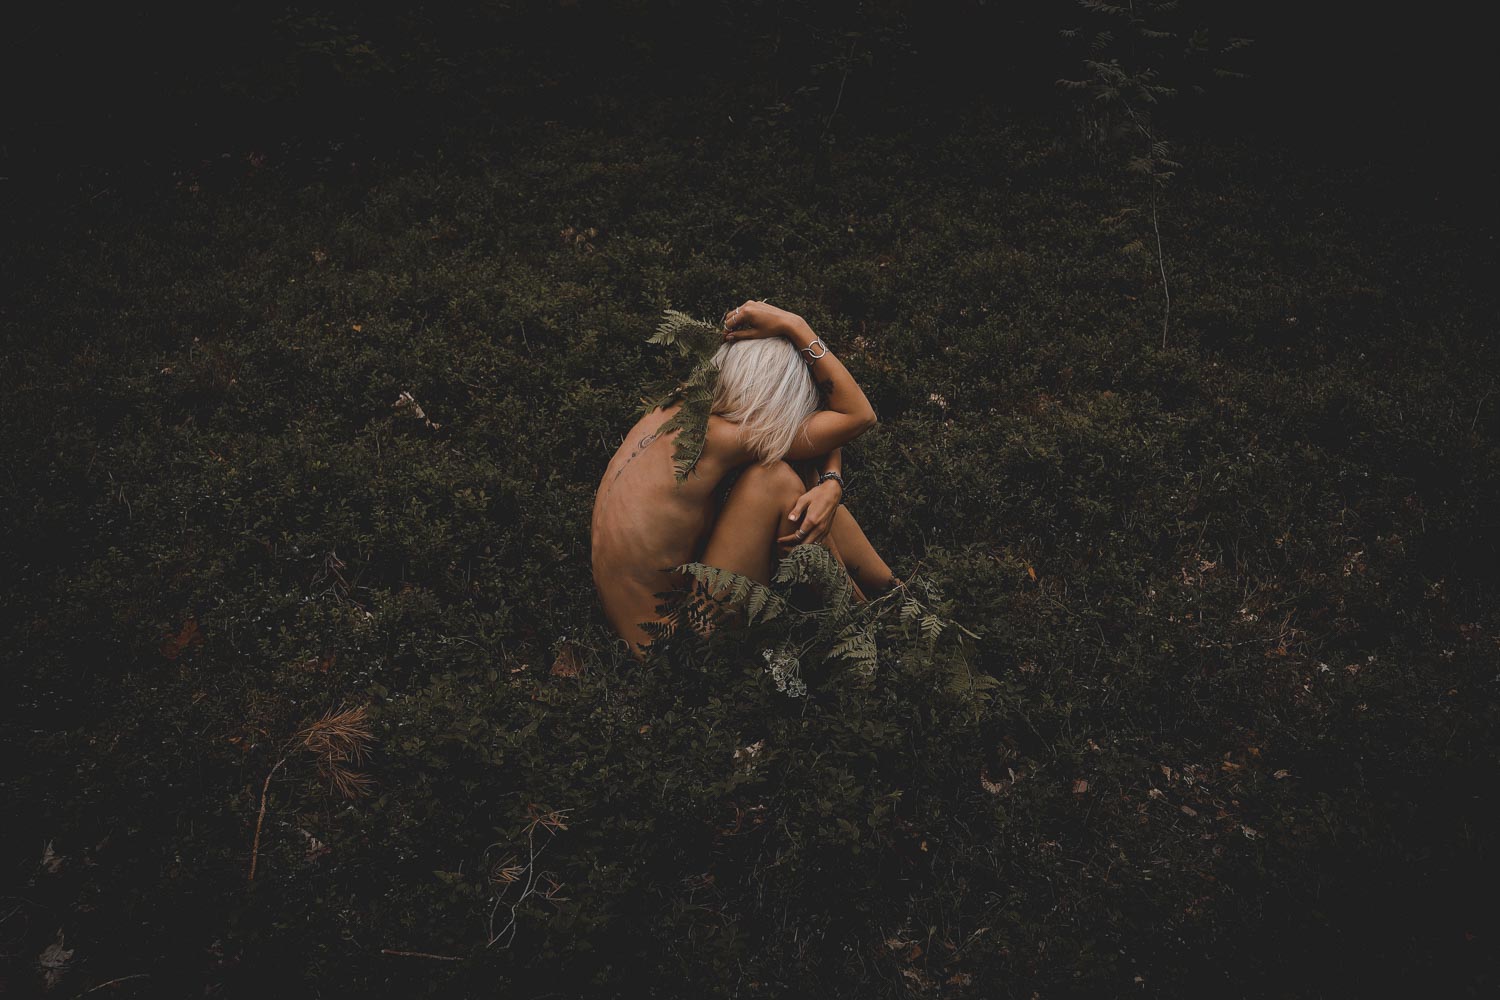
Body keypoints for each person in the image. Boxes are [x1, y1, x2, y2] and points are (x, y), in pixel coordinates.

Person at [590, 300, 898, 659]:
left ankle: (893, 590)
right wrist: (795, 325)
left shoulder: (683, 406)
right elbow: (856, 416)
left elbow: (826, 428)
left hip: (655, 619)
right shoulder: (724, 438)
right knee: (777, 481)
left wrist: (831, 483)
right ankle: (860, 623)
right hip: (675, 651)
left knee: (803, 481)